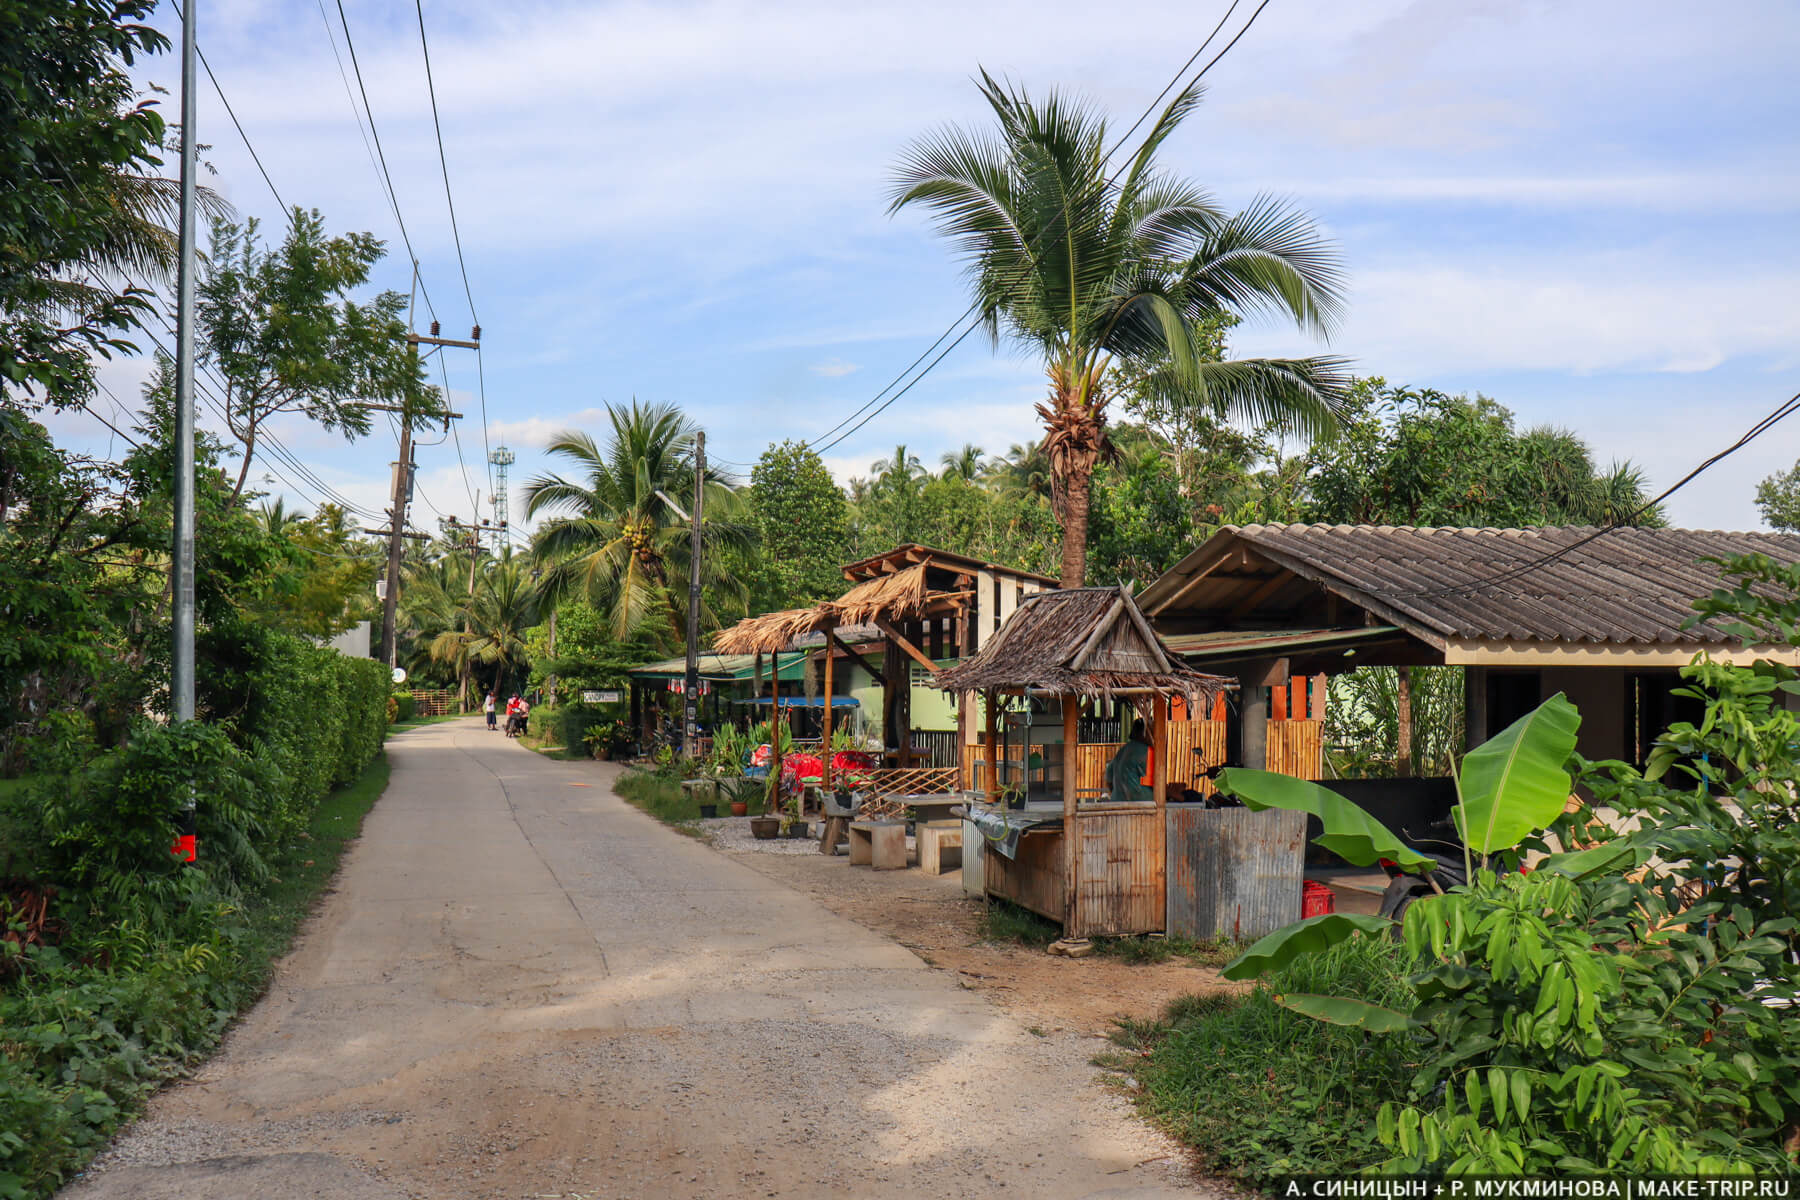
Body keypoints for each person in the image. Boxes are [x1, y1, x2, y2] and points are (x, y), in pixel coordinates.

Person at [1103, 719, 1154, 804]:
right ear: (1144, 733)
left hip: (1118, 804)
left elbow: (1108, 778)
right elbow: (1155, 784)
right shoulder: (1148, 751)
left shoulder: (1122, 751)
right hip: (1143, 806)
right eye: (1151, 732)